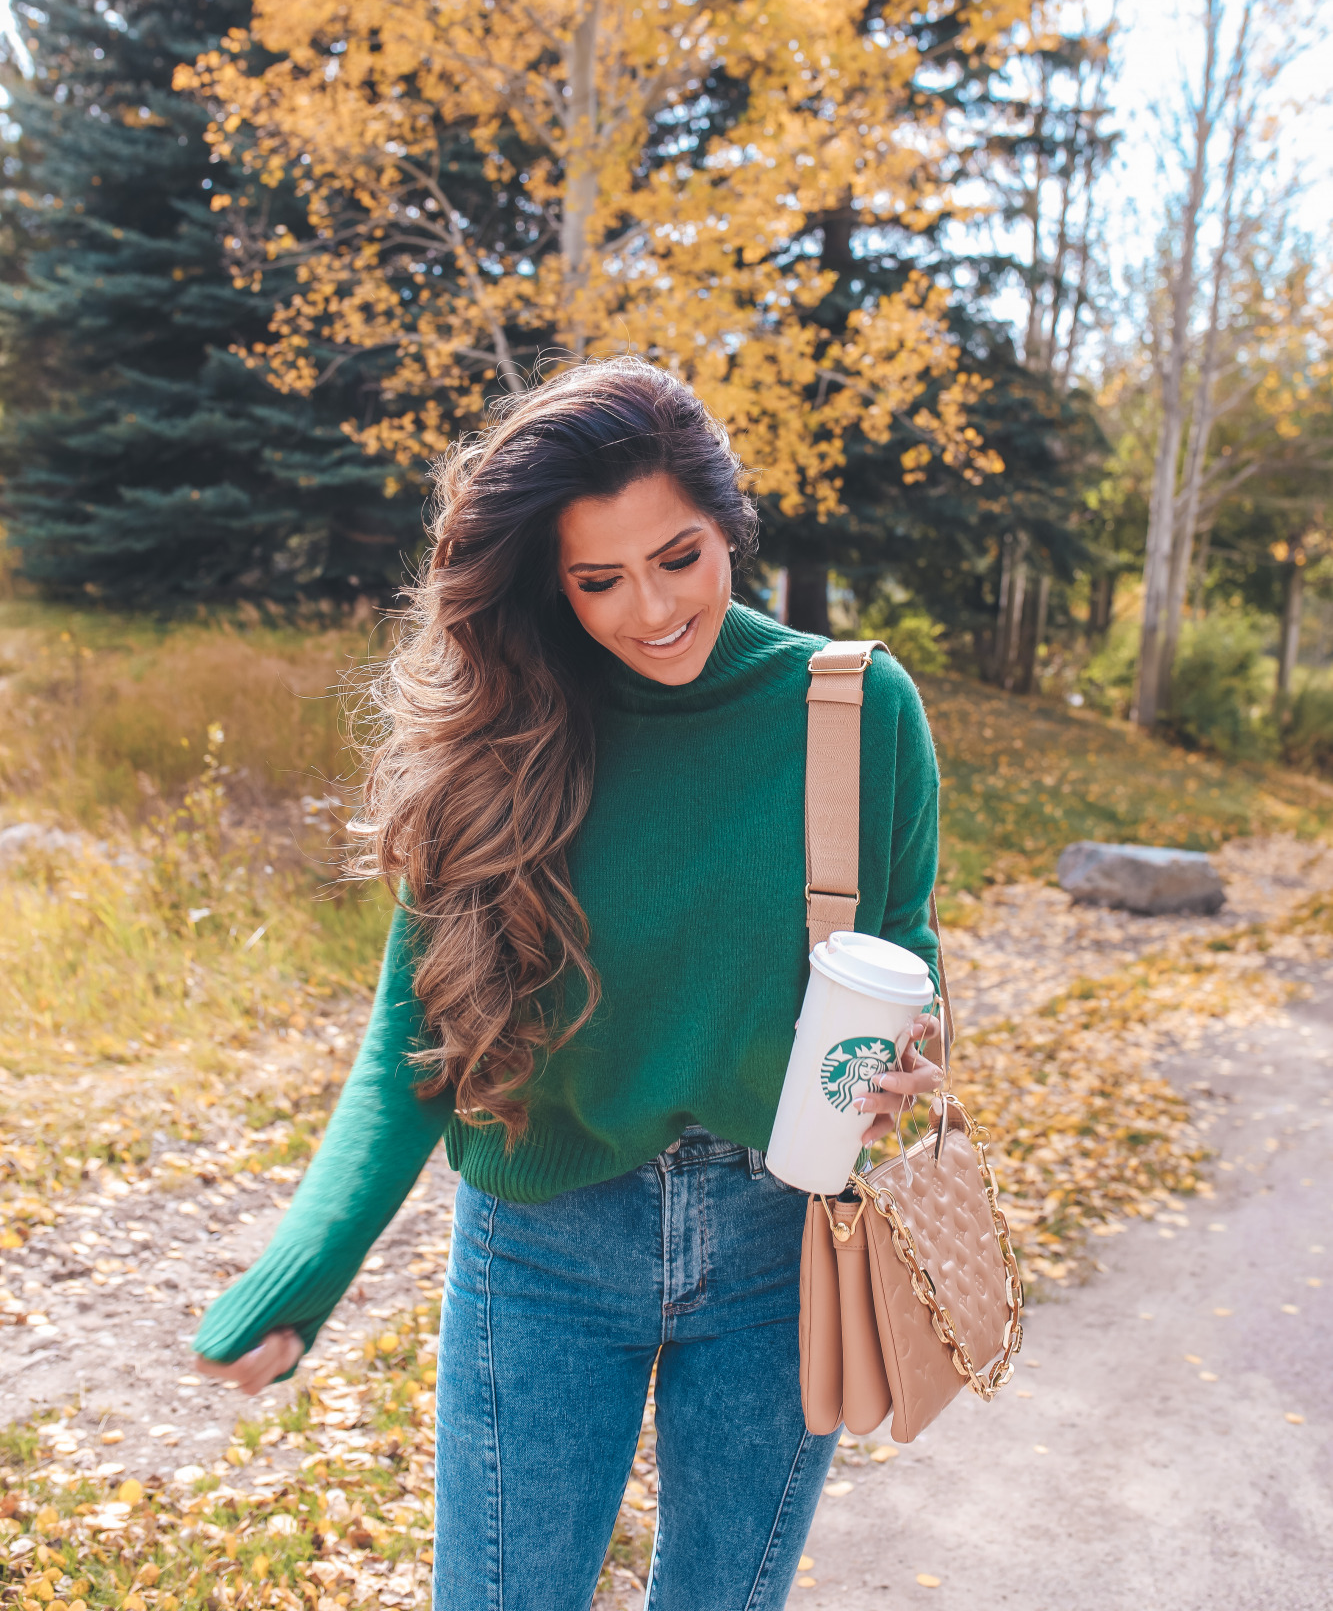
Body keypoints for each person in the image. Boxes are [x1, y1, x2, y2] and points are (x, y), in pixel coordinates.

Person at [194, 358, 943, 1610]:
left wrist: (915, 1048)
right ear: (551, 579)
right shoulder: (508, 735)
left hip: (781, 1236)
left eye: (678, 557)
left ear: (729, 526)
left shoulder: (857, 707)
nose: (648, 608)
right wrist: (303, 1269)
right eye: (598, 579)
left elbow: (907, 944)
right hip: (544, 1240)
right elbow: (410, 1042)